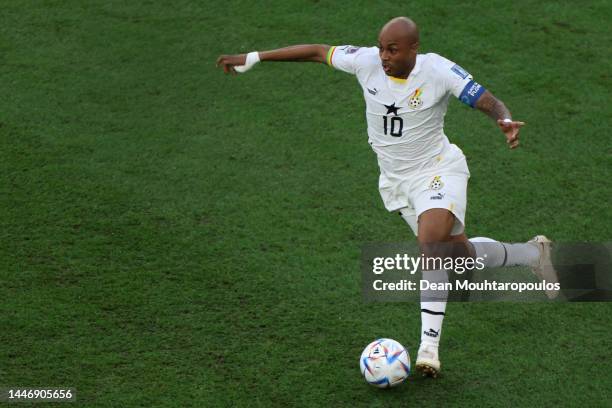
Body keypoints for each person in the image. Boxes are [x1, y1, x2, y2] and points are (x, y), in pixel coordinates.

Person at [216, 17, 559, 378]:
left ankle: (428, 349)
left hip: (439, 170)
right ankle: (535, 253)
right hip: (397, 184)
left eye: (392, 49)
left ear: (414, 49)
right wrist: (254, 56)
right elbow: (318, 52)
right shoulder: (366, 62)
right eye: (381, 47)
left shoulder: (438, 70)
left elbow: (487, 100)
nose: (384, 56)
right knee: (461, 260)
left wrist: (504, 120)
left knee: (431, 245)